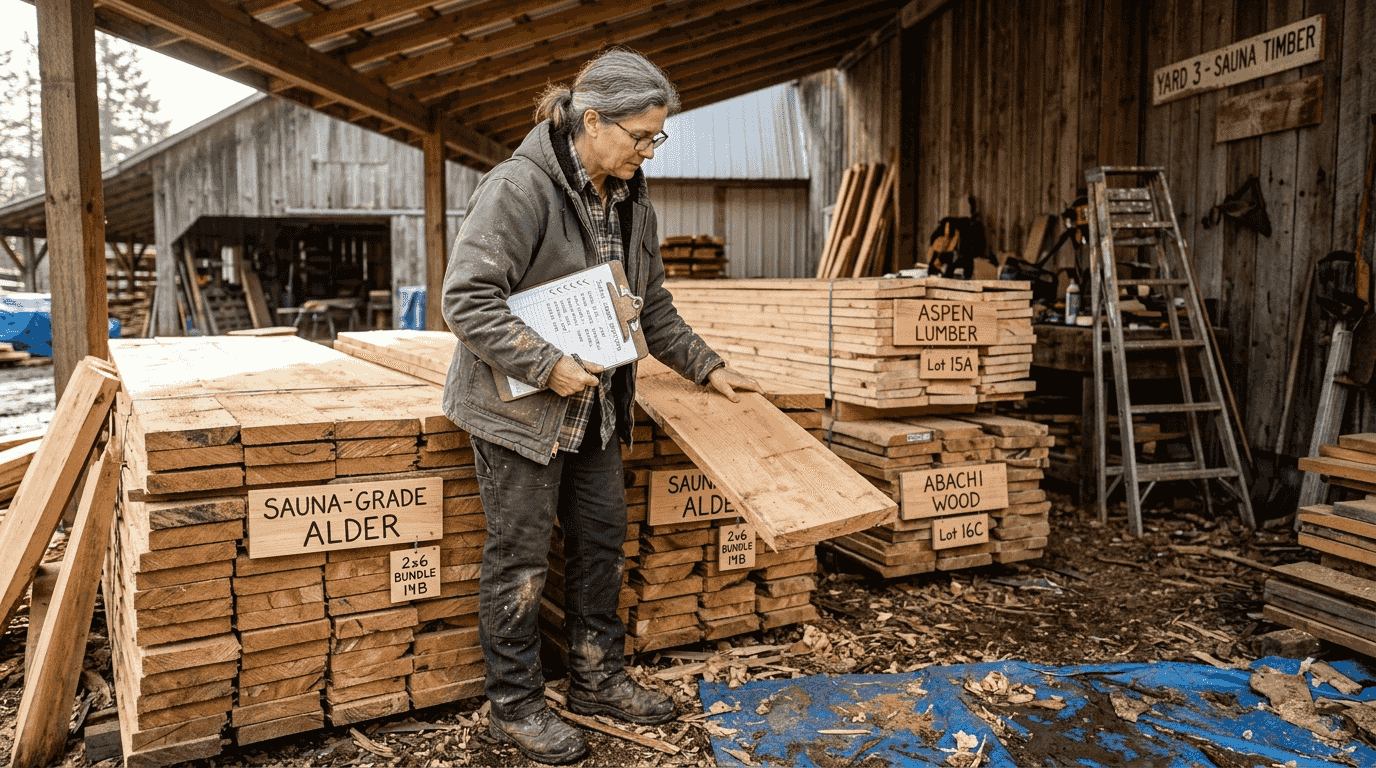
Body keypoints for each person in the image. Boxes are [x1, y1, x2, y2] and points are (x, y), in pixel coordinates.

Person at [440, 49, 761, 765]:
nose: (649, 150)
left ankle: (595, 678)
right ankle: (515, 706)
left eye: (657, 138)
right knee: (520, 561)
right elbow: (465, 299)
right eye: (641, 135)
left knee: (599, 549)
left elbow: (653, 308)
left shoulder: (631, 197)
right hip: (521, 412)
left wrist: (709, 367)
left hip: (598, 412)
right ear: (592, 121)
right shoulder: (519, 189)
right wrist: (545, 364)